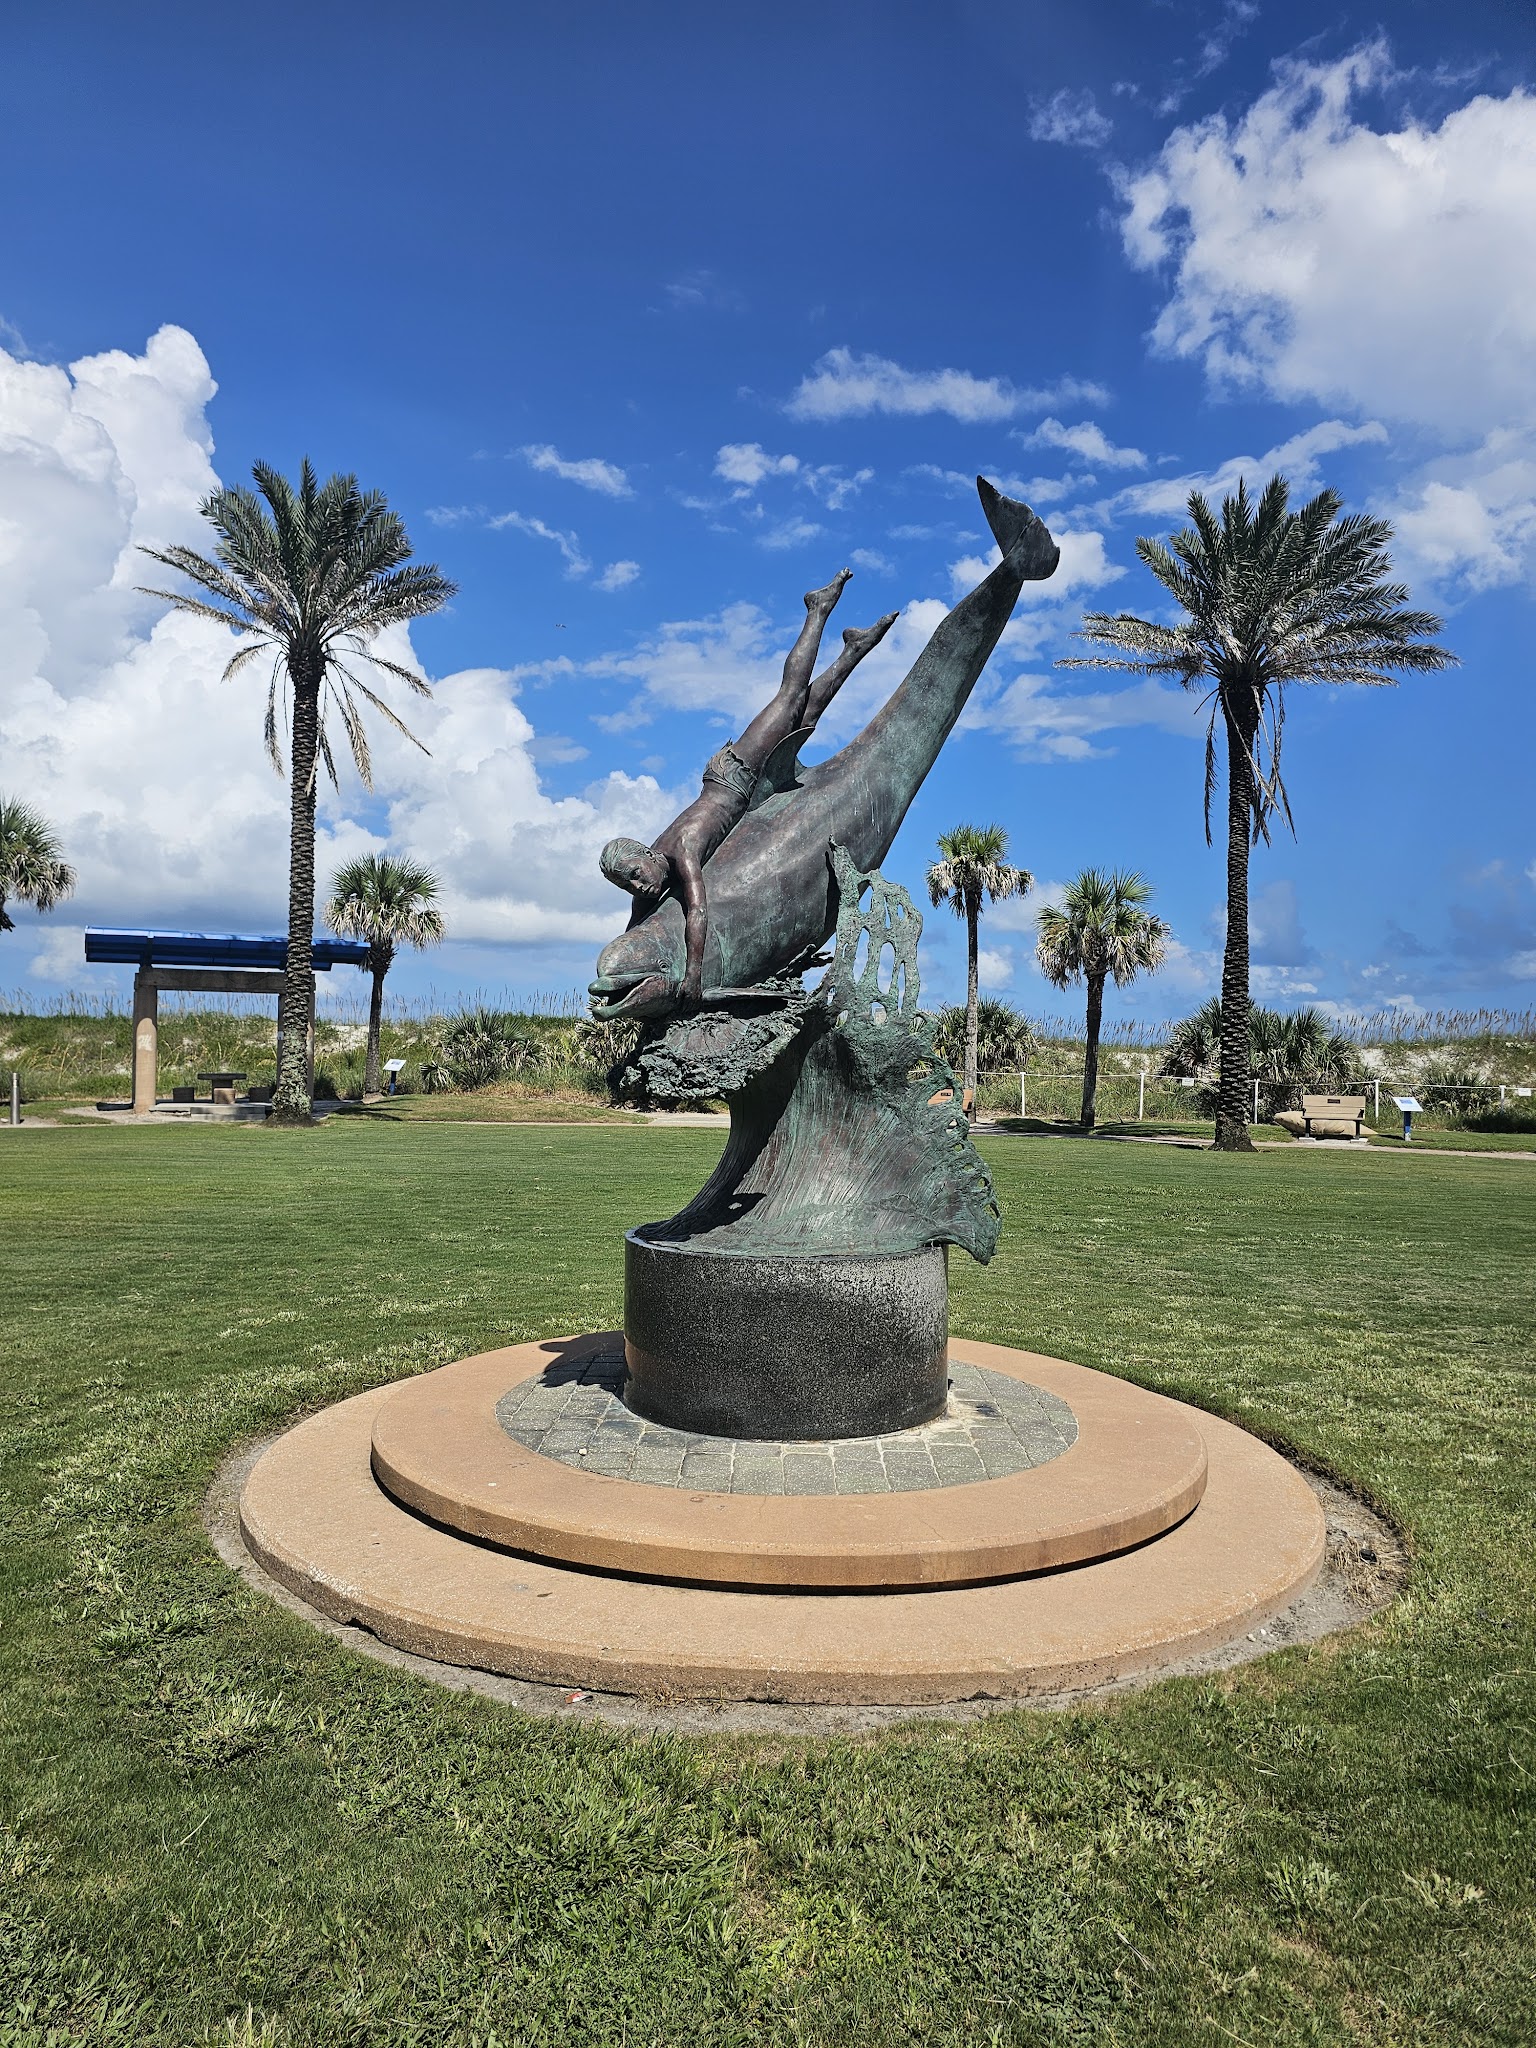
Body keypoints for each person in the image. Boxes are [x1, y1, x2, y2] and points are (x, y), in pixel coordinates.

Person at [600, 570, 897, 1003]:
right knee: (808, 713)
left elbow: (698, 911)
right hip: (745, 790)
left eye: (633, 874)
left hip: (736, 774)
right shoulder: (650, 888)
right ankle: (855, 648)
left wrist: (694, 975)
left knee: (790, 695)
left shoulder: (681, 851)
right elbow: (634, 929)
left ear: (646, 854)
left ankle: (817, 609)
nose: (637, 886)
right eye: (627, 885)